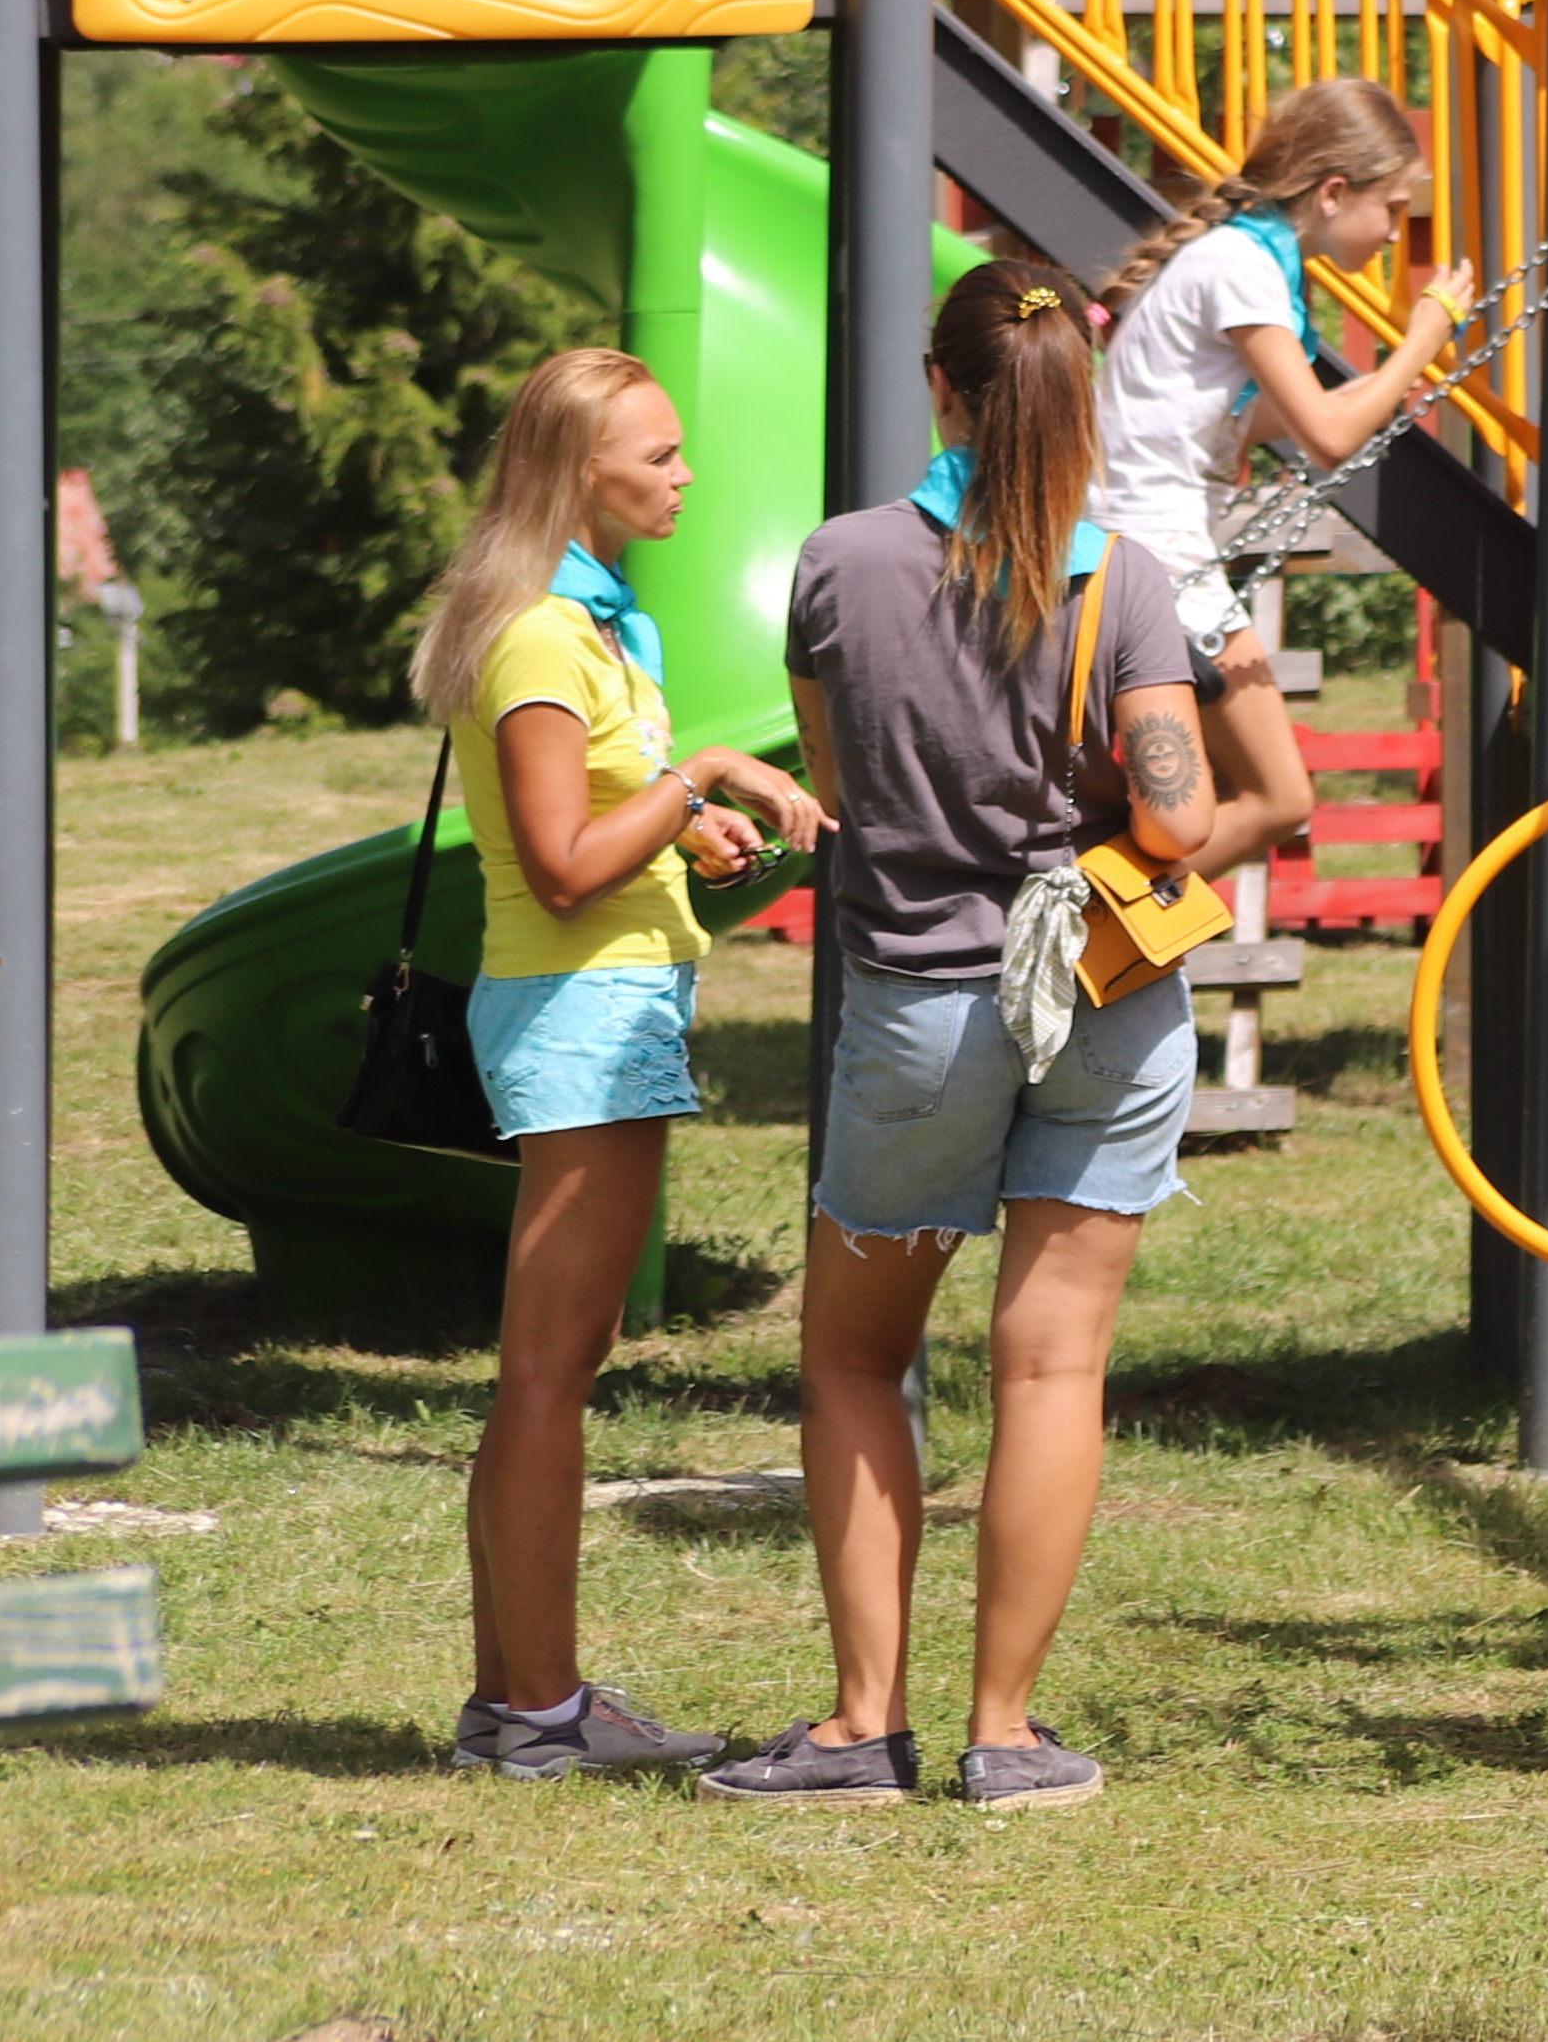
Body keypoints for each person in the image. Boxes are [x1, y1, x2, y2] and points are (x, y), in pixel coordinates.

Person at [706, 253, 1314, 1809]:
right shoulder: (1133, 581)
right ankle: (1007, 1733)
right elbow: (1182, 823)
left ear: (939, 386)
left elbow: (839, 781)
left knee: (854, 1357)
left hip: (921, 1003)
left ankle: (859, 1726)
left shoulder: (839, 565)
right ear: (1076, 400)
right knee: (1051, 1373)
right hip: (1108, 999)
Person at [422, 345, 827, 1781]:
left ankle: (522, 1701)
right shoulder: (542, 636)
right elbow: (560, 863)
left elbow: (604, 827)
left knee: (553, 1366)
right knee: (546, 1375)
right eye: (656, 457)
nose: (684, 476)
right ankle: (534, 1713)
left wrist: (682, 821)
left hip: (608, 1004)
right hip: (580, 1014)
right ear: (576, 474)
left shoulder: (592, 631)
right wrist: (704, 776)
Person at [1079, 78, 1479, 653]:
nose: (1396, 233)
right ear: (1334, 193)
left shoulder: (1245, 255)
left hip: (1140, 536)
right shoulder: (1243, 268)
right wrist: (1419, 342)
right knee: (1265, 749)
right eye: (1391, 208)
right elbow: (1328, 442)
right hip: (1152, 545)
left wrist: (1376, 387)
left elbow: (1240, 421)